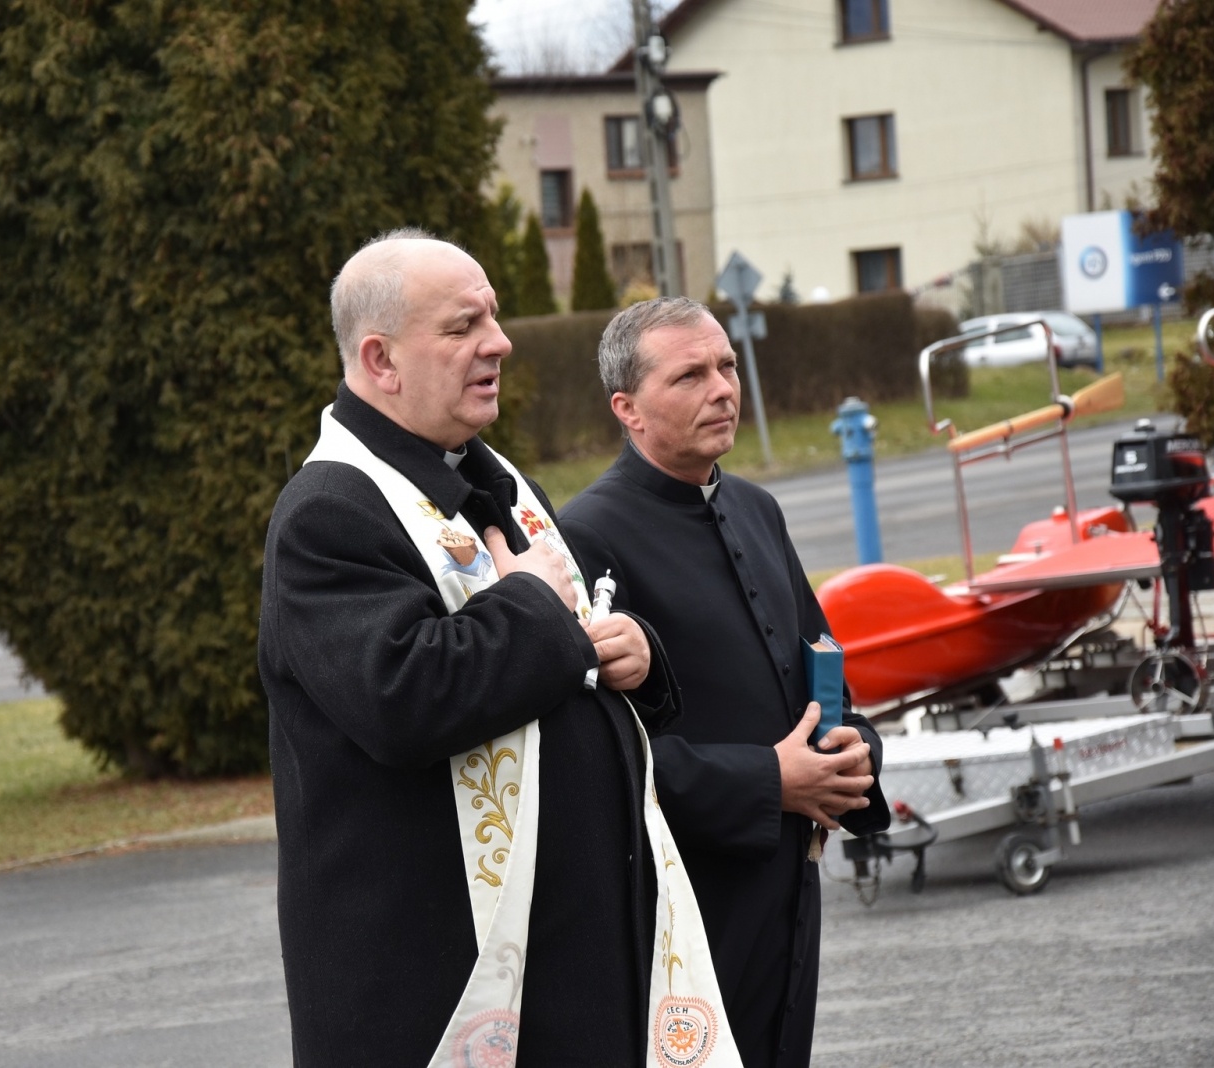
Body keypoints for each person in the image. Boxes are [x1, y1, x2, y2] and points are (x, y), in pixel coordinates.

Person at [259, 234, 739, 1067]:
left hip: (573, 966)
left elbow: (561, 638)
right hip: (439, 985)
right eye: (463, 325)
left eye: (494, 317)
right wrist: (536, 608)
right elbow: (404, 698)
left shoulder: (495, 479)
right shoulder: (327, 514)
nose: (500, 342)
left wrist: (634, 655)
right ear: (381, 360)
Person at [559, 297, 890, 1068]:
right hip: (684, 904)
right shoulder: (587, 534)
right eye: (690, 375)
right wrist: (769, 779)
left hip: (787, 891)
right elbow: (595, 756)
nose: (722, 388)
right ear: (628, 409)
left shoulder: (755, 507)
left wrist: (852, 753)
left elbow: (821, 666)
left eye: (727, 367)